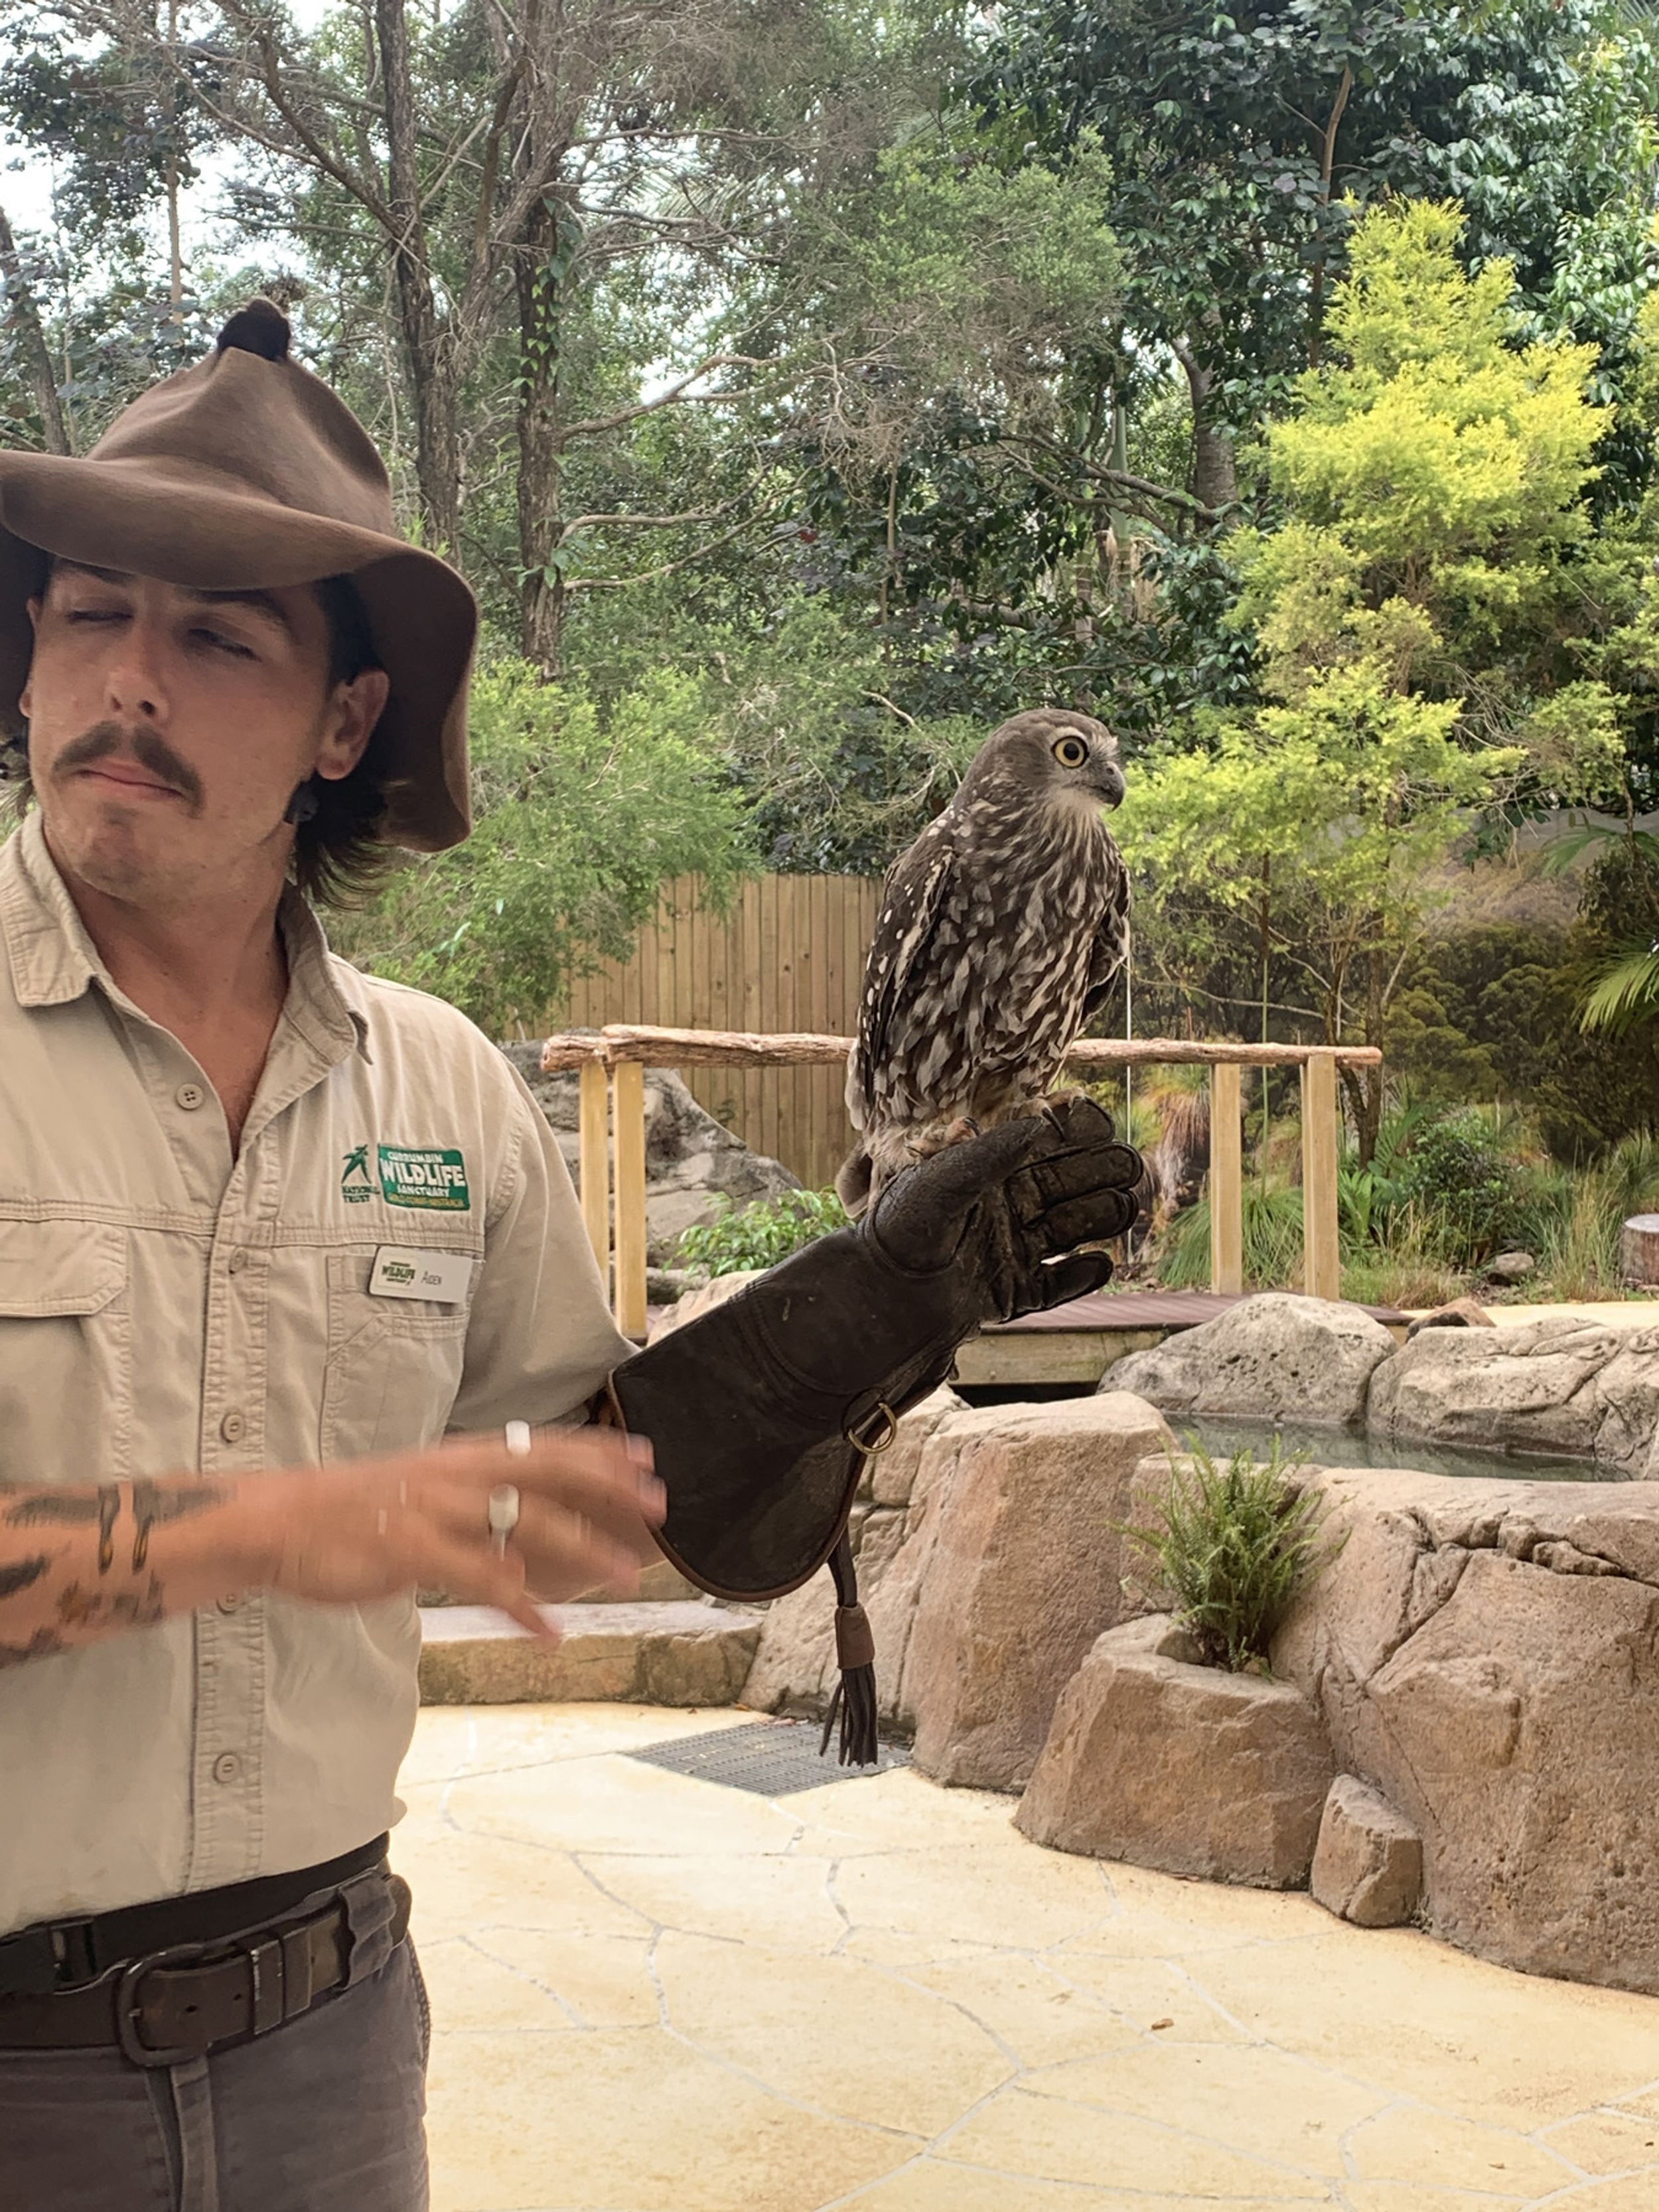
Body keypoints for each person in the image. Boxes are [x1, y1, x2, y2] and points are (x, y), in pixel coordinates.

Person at [0, 300, 1144, 2211]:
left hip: (326, 2052)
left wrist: (861, 1307)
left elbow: (601, 1505)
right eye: (87, 612)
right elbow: (358, 1525)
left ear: (346, 721)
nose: (128, 680)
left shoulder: (443, 1084)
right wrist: (277, 1529)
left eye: (216, 637)